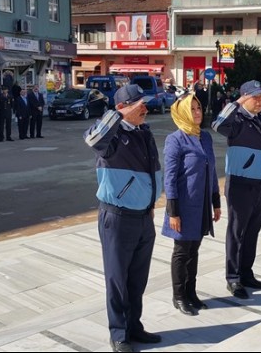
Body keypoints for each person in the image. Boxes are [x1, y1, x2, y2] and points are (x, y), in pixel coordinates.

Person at [83, 84, 162, 352]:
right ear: (122, 108)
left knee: (137, 278)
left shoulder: (144, 132)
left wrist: (151, 202)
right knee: (117, 280)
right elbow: (92, 140)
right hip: (117, 218)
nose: (145, 109)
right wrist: (116, 114)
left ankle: (134, 326)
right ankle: (118, 334)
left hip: (143, 217)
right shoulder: (110, 136)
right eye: (139, 104)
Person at [212, 80, 261, 300]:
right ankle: (233, 277)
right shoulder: (236, 120)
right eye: (254, 97)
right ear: (244, 98)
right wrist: (235, 103)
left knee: (252, 232)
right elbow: (218, 125)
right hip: (240, 185)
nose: (259, 101)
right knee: (237, 233)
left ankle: (246, 273)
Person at [161, 93, 221, 316]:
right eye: (193, 109)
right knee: (182, 251)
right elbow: (170, 177)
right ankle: (179, 297)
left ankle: (191, 293)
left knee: (194, 249)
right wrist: (173, 212)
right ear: (183, 112)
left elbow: (212, 170)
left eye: (199, 108)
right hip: (184, 206)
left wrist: (215, 202)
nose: (197, 112)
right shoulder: (175, 139)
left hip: (202, 203)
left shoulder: (205, 137)